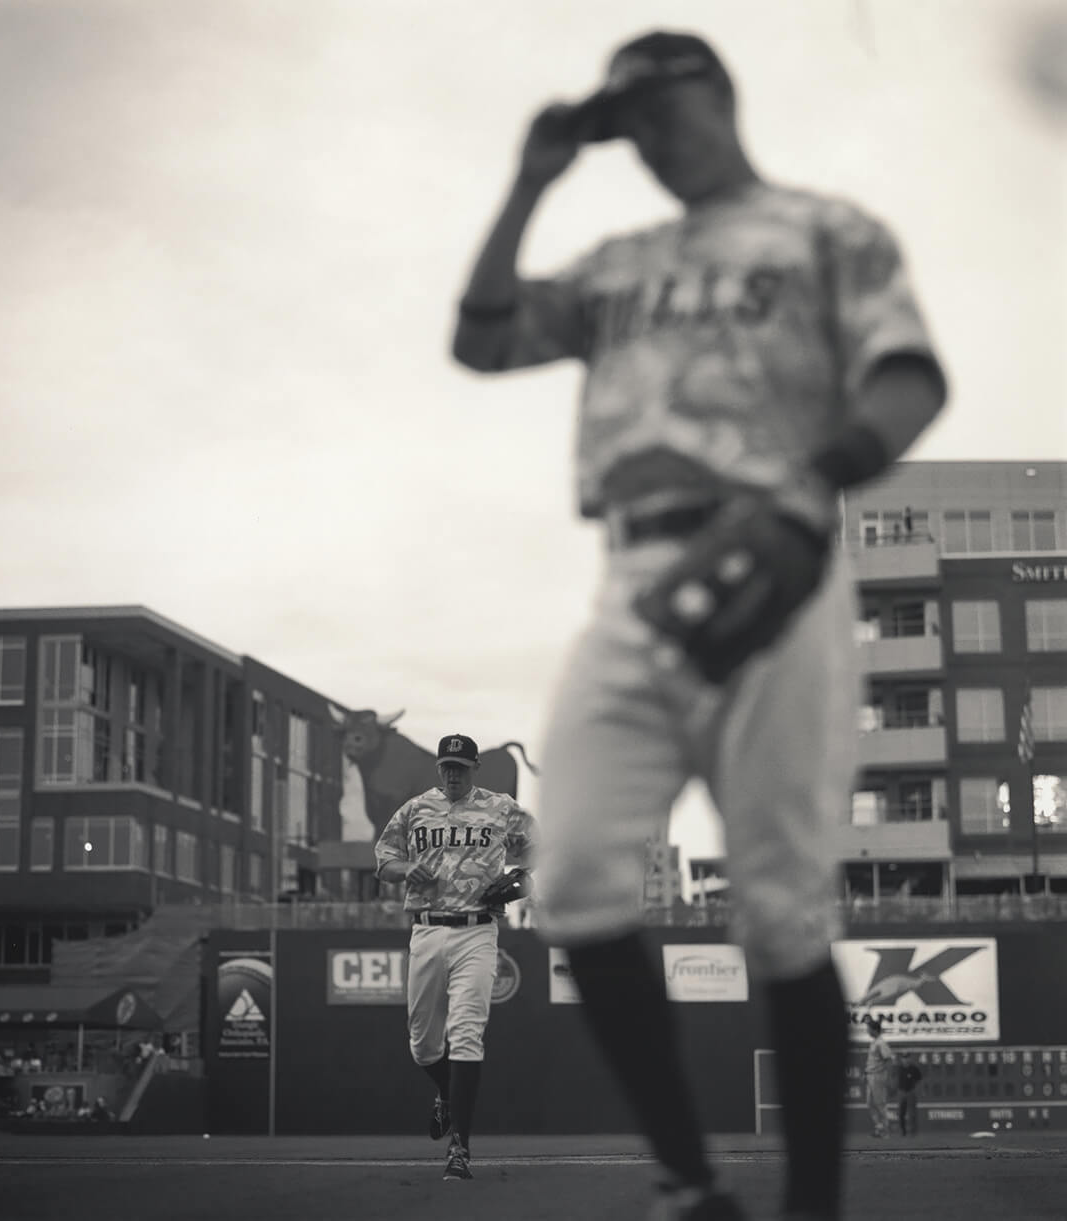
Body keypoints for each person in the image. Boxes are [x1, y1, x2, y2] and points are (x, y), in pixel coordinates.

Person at [451, 28, 946, 1221]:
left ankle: (810, 1208)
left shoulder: (826, 229)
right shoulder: (621, 261)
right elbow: (479, 336)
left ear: (713, 94)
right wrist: (532, 179)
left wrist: (808, 485)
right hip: (633, 582)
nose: (648, 143)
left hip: (776, 559)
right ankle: (693, 1181)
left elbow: (909, 379)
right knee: (568, 876)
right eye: (628, 128)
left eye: (656, 114)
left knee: (778, 905)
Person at [374, 733, 536, 1182]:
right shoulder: (414, 810)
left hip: (477, 933)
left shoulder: (501, 807)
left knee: (466, 1034)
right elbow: (384, 862)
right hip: (426, 930)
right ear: (438, 767)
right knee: (423, 1044)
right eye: (446, 766)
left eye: (460, 768)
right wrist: (407, 868)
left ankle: (460, 1149)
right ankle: (447, 1094)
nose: (451, 774)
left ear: (475, 769)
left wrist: (520, 875)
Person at [864, 1017, 895, 1138]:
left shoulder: (881, 1043)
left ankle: (886, 1131)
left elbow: (888, 1060)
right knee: (870, 1103)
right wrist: (865, 1073)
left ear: (875, 1030)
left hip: (878, 1076)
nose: (867, 1031)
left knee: (880, 1104)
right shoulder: (874, 1042)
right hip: (870, 1075)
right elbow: (872, 1061)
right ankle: (879, 1127)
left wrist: (888, 1077)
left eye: (869, 1028)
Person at [895, 1050, 923, 1137]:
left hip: (911, 1092)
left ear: (909, 1058)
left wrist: (915, 1087)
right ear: (901, 1059)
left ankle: (913, 1132)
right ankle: (902, 1132)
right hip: (901, 1092)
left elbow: (919, 1078)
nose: (905, 1059)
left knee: (912, 1114)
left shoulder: (913, 1068)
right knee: (901, 1113)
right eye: (904, 1058)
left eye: (907, 1058)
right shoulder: (899, 1068)